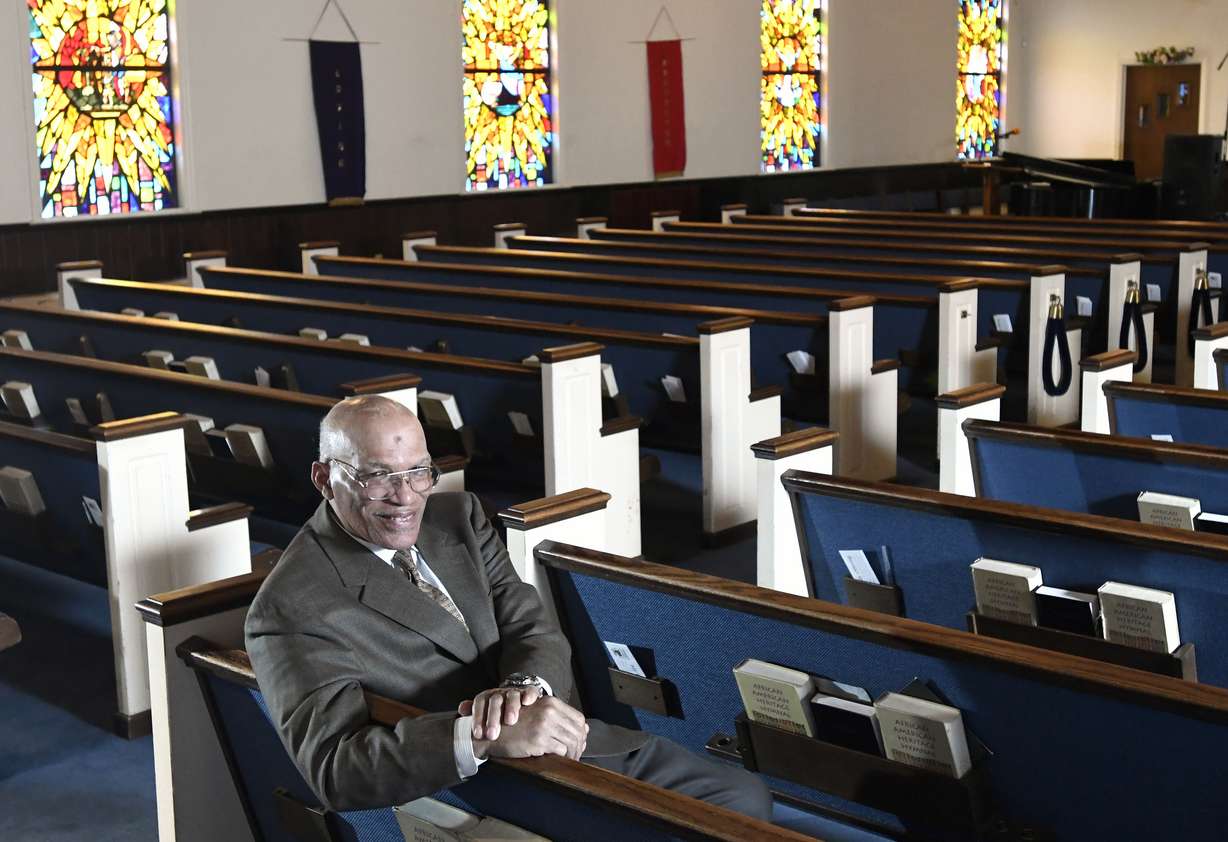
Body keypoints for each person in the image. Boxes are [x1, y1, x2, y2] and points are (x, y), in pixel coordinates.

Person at [245, 395, 772, 820]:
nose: (406, 497)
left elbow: (532, 625)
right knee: (731, 813)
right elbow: (335, 769)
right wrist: (482, 734)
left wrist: (522, 691)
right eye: (378, 477)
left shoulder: (459, 516)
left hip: (559, 735)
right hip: (470, 790)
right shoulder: (292, 605)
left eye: (418, 473)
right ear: (323, 479)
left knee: (741, 798)